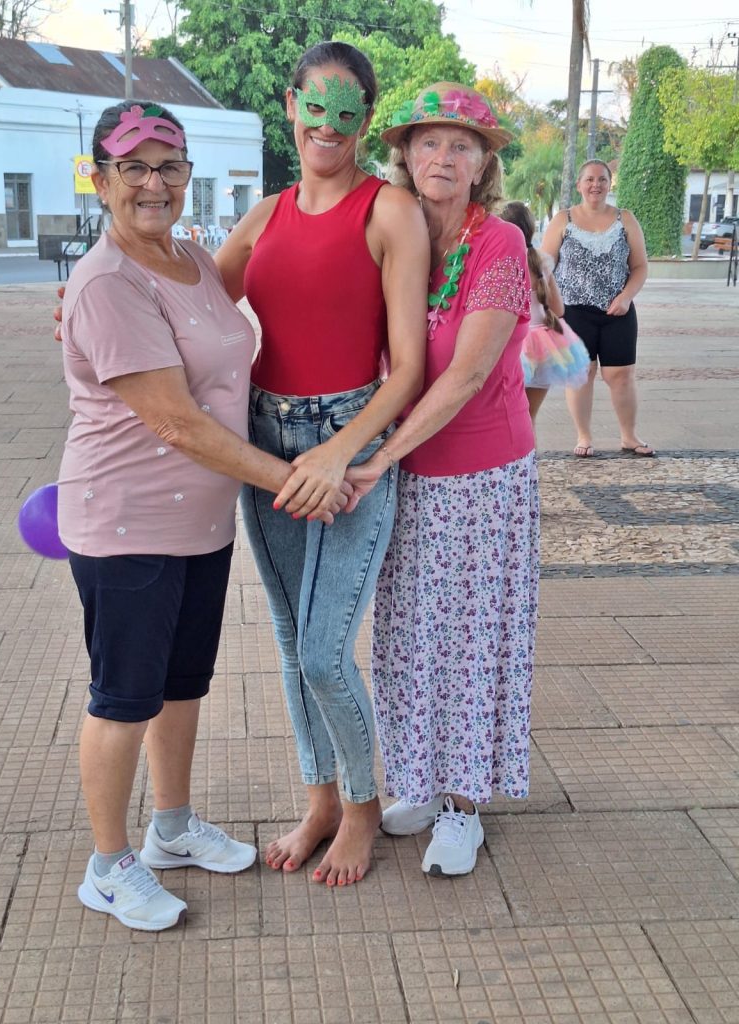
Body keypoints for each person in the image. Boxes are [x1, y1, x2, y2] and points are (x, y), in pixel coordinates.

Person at [58, 100, 350, 931]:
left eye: (170, 167)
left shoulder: (188, 256)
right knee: (124, 696)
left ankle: (172, 828)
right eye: (134, 168)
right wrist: (295, 478)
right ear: (101, 180)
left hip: (199, 523)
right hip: (127, 523)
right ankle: (107, 867)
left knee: (181, 685)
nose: (154, 184)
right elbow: (178, 422)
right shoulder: (106, 282)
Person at [213, 42, 430, 886]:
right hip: (265, 440)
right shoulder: (263, 216)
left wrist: (340, 452)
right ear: (291, 107)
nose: (327, 127)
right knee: (289, 635)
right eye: (315, 107)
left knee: (324, 651)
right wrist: (94, 303)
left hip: (354, 442)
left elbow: (408, 367)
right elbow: (192, 308)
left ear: (365, 121)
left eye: (347, 113)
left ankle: (364, 805)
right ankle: (321, 800)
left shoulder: (390, 211)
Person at [337, 83, 540, 877]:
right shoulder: (397, 231)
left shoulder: (500, 244)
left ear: (484, 163)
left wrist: (378, 457)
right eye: (429, 142)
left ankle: (463, 806)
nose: (444, 157)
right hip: (408, 478)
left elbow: (465, 376)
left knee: (468, 642)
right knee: (407, 637)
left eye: (462, 145)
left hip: (480, 482)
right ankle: (419, 782)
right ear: (406, 154)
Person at [541, 160, 653, 457]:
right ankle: (584, 437)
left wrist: (626, 297)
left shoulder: (625, 219)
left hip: (618, 311)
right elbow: (545, 266)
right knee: (582, 374)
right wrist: (549, 306)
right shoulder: (562, 220)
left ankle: (629, 436)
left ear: (609, 183)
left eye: (602, 179)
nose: (596, 185)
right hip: (574, 312)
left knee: (621, 375)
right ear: (579, 184)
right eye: (589, 179)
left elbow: (640, 267)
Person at [500, 201, 590, 424]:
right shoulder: (542, 261)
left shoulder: (502, 262)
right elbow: (558, 309)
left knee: (509, 416)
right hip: (547, 347)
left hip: (514, 346)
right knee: (529, 416)